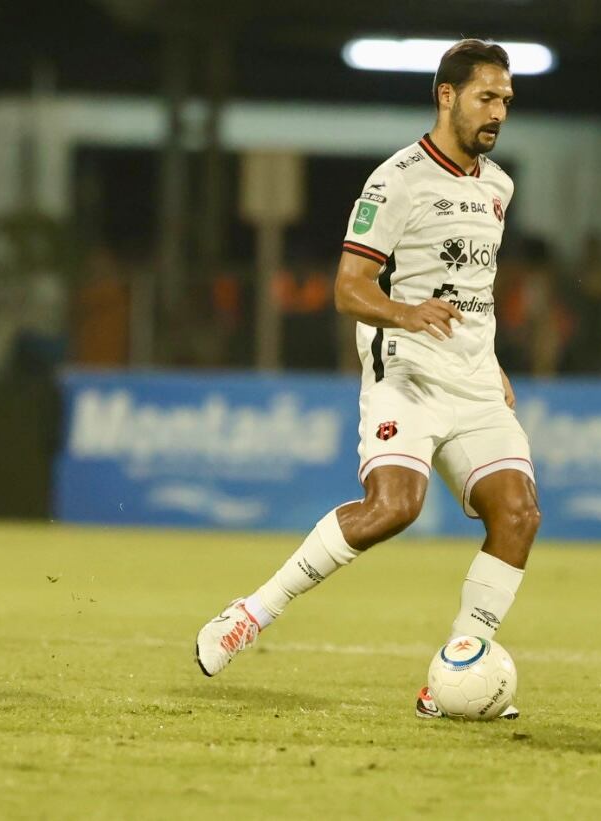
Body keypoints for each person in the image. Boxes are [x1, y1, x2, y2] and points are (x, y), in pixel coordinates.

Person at [195, 39, 541, 719]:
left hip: (472, 380)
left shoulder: (498, 186)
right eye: (486, 97)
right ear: (446, 96)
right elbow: (348, 289)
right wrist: (407, 313)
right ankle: (251, 612)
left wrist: (492, 360)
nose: (498, 112)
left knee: (519, 514)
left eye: (505, 100)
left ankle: (457, 666)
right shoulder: (397, 181)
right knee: (394, 508)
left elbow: (475, 286)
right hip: (406, 373)